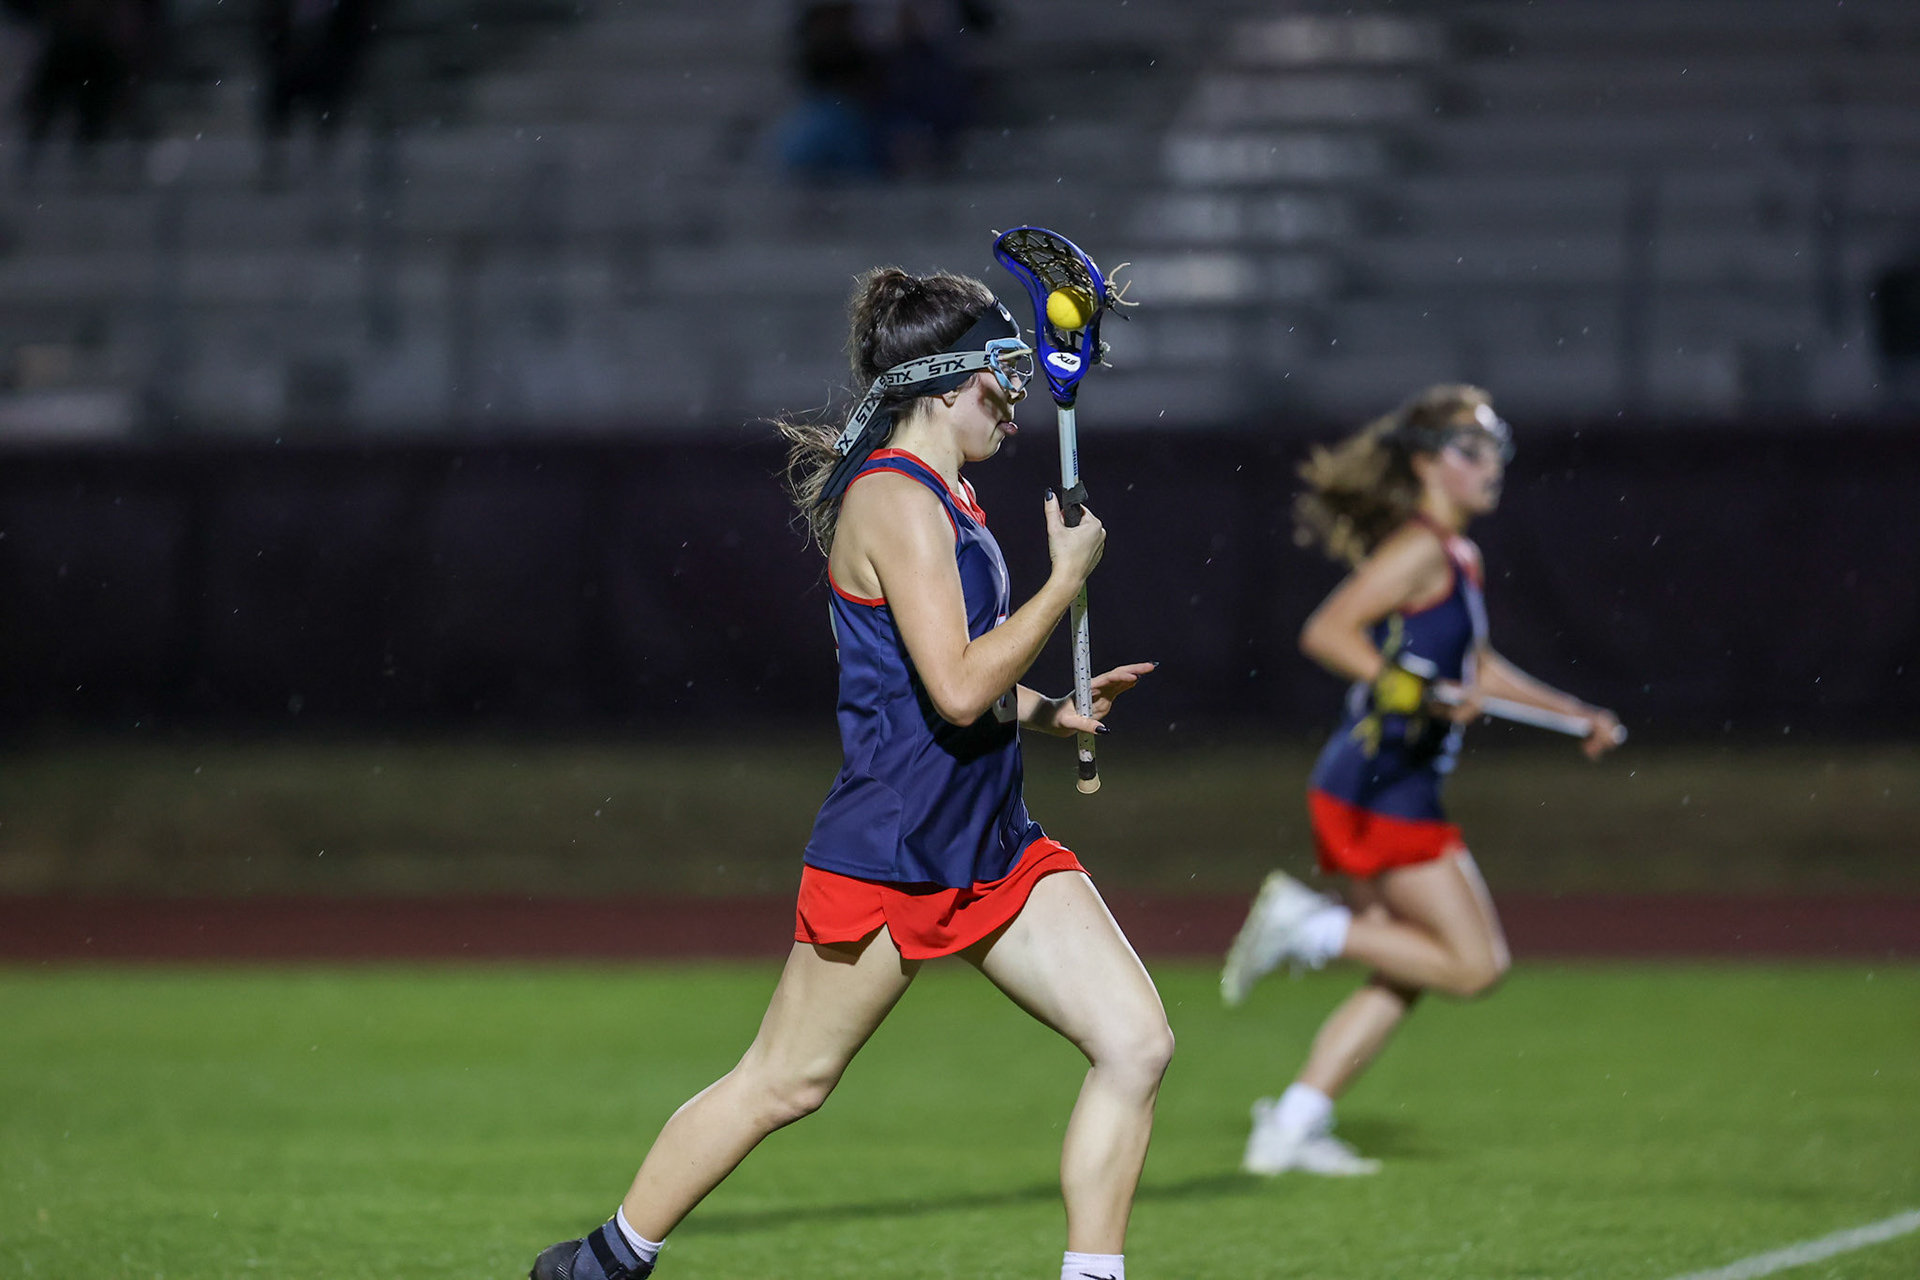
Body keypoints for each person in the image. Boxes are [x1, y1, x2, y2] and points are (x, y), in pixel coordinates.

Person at [529, 267, 1172, 1280]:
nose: (1014, 398)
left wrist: (1054, 710)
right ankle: (603, 1263)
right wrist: (1063, 582)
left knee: (1137, 1042)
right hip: (895, 846)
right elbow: (956, 689)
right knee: (784, 1082)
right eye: (999, 377)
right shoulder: (895, 502)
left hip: (992, 842)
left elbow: (947, 680)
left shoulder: (951, 496)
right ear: (943, 383)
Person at [1218, 384, 1622, 1177]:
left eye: (1496, 448)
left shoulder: (1457, 553)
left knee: (1406, 969)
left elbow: (1477, 669)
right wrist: (1412, 688)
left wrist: (1572, 713)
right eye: (1474, 449)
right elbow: (1328, 632)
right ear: (1429, 463)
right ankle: (1310, 929)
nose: (1492, 465)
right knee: (1475, 966)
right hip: (1377, 788)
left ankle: (1291, 1127)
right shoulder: (1420, 550)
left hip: (1387, 783)